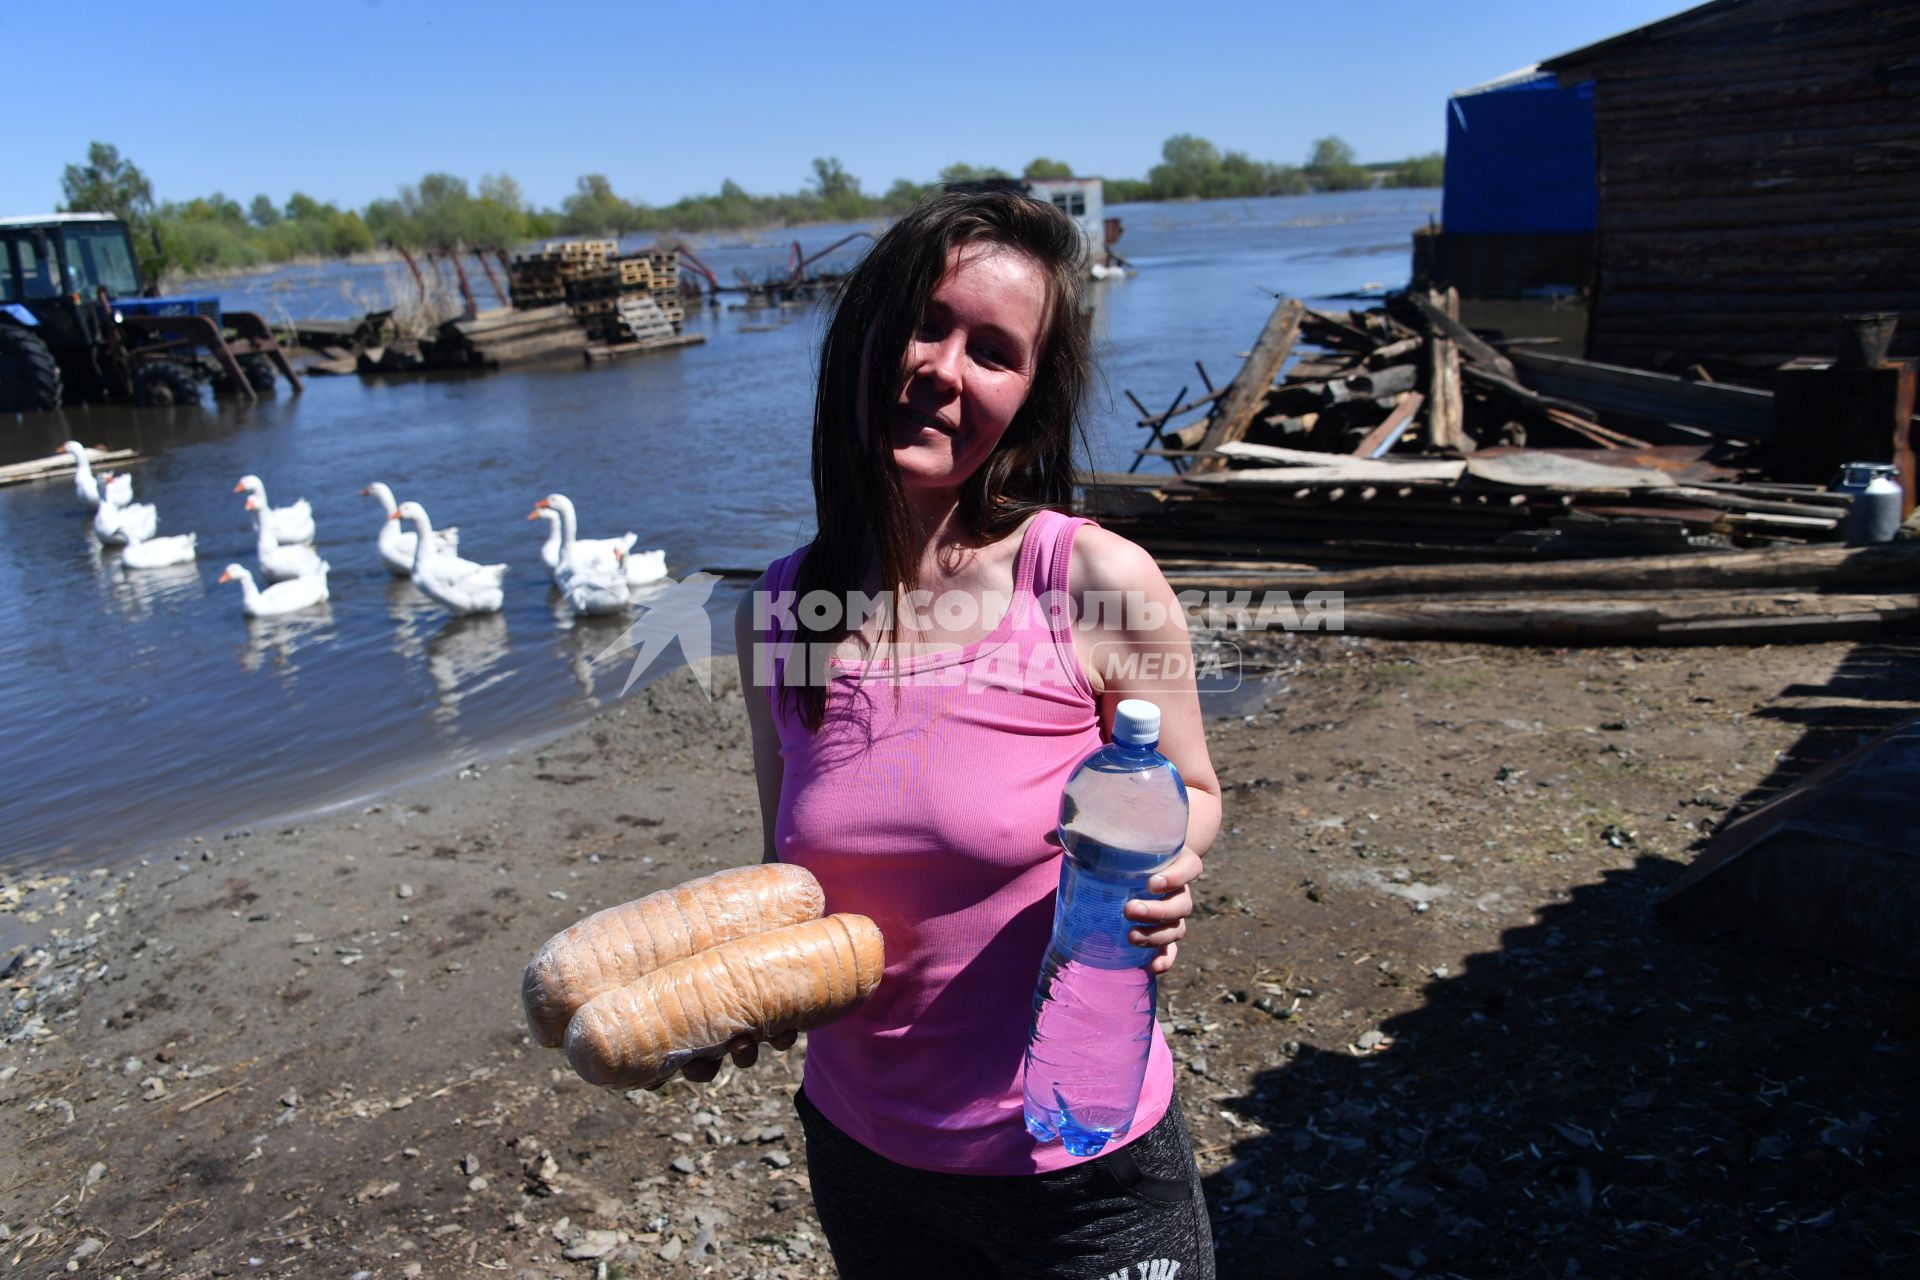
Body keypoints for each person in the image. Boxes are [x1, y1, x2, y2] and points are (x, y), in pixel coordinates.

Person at [712, 185, 1222, 1278]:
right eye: (926, 322)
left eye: (994, 350)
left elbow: (1195, 787)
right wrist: (745, 991)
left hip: (1079, 1163)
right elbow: (789, 867)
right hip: (865, 1152)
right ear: (862, 333)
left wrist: (1167, 866)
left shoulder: (1091, 578)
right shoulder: (777, 609)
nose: (945, 367)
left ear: (1027, 401)